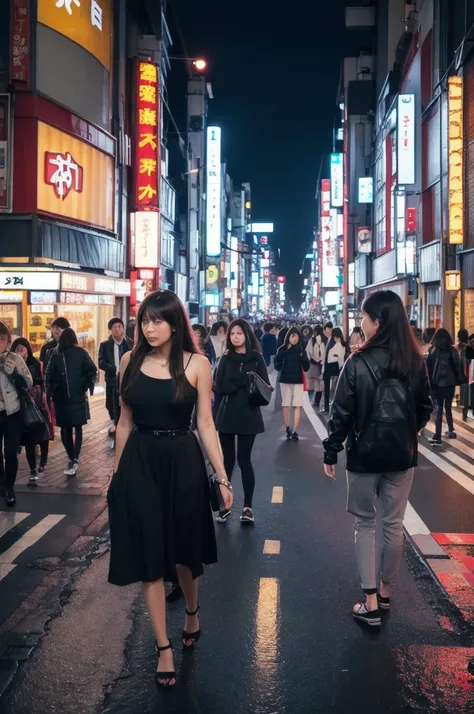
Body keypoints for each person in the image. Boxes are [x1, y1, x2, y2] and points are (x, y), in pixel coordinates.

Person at [108, 289, 232, 689]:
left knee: (183, 556)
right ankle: (163, 647)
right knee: (150, 555)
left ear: (175, 323)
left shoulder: (197, 364)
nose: (149, 327)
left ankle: (192, 609)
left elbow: (206, 425)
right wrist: (114, 473)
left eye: (157, 320)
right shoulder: (129, 360)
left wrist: (223, 477)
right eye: (144, 320)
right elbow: (124, 422)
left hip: (183, 460)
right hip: (141, 462)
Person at [323, 290, 433, 627]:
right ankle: (386, 593)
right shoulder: (415, 362)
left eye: (363, 316)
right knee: (392, 525)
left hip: (363, 455)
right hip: (401, 455)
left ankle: (369, 600)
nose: (360, 322)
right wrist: (406, 432)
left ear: (378, 322)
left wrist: (331, 449)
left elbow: (340, 412)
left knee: (365, 522)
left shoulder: (357, 362)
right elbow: (425, 407)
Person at [213, 318, 270, 524]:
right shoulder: (225, 359)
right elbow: (218, 387)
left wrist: (237, 382)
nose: (235, 336)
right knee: (227, 462)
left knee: (244, 460)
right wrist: (243, 380)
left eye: (239, 333)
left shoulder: (257, 358)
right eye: (232, 333)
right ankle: (225, 506)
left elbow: (265, 386)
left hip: (249, 415)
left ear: (247, 335)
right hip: (227, 415)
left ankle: (247, 507)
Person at [46, 328, 97, 476]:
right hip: (78, 396)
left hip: (60, 398)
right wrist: (85, 385)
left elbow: (48, 376)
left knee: (65, 428)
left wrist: (50, 393)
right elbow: (92, 370)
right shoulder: (80, 353)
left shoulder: (55, 354)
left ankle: (71, 457)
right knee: (77, 427)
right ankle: (74, 457)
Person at [0, 323, 33, 506]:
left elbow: (28, 383)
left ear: (8, 340)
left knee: (11, 453)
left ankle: (10, 486)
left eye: (2, 338)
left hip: (12, 412)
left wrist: (15, 375)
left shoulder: (15, 359)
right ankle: (2, 485)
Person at [12, 337, 52, 483]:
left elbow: (41, 383)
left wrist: (36, 392)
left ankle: (43, 462)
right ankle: (33, 469)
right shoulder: (11, 366)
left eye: (22, 349)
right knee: (29, 440)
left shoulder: (35, 364)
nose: (20, 352)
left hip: (38, 406)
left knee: (43, 435)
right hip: (21, 408)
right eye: (17, 349)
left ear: (28, 351)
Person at [426, 328, 464, 445]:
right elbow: (457, 366)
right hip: (450, 383)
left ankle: (437, 436)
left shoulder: (433, 350)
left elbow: (428, 367)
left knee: (438, 409)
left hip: (437, 384)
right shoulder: (453, 350)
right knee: (448, 407)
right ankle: (451, 430)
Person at [98, 318, 133, 436]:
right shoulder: (105, 345)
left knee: (125, 402)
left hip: (127, 380)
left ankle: (124, 424)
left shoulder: (130, 343)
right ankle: (115, 422)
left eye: (120, 326)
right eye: (115, 327)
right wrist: (111, 368)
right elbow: (101, 362)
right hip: (112, 379)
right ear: (111, 330)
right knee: (111, 403)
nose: (118, 329)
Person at [274, 327, 310, 441]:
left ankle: (293, 430)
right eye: (292, 336)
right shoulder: (283, 349)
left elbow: (306, 367)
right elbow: (276, 363)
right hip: (285, 379)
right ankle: (288, 428)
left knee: (296, 405)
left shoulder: (301, 350)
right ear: (288, 337)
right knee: (286, 404)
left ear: (299, 337)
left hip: (296, 380)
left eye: (296, 336)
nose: (293, 338)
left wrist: (302, 357)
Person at [322, 327, 346, 412]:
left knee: (335, 389)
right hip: (332, 369)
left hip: (337, 369)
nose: (337, 339)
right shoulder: (332, 343)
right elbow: (328, 358)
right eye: (336, 337)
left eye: (338, 337)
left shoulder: (340, 344)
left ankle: (332, 406)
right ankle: (327, 406)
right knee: (329, 389)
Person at [306, 324, 326, 408]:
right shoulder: (325, 339)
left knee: (310, 383)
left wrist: (309, 359)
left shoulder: (313, 339)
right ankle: (317, 401)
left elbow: (307, 351)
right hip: (322, 364)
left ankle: (309, 400)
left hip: (313, 364)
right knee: (319, 384)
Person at [457, 329, 471, 421]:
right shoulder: (467, 348)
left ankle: (464, 412)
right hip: (468, 373)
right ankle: (465, 412)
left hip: (462, 374)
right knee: (467, 393)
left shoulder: (460, 348)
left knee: (464, 393)